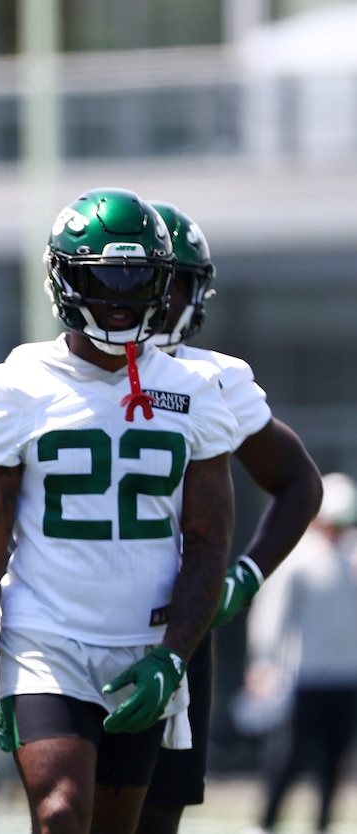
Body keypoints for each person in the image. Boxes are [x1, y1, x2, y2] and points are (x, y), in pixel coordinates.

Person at [0, 187, 238, 834]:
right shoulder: (13, 388)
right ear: (64, 281)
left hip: (145, 638)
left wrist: (173, 655)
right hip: (46, 637)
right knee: (60, 813)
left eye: (138, 279)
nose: (120, 296)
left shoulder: (195, 390)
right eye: (102, 278)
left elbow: (209, 539)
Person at [134, 202, 324, 834]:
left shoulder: (207, 379)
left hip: (178, 625)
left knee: (157, 814)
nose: (149, 297)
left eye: (171, 281)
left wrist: (243, 576)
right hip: (64, 619)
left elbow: (299, 482)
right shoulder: (51, 376)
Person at [239, 471, 357, 834]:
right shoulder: (299, 558)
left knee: (335, 761)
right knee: (287, 756)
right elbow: (271, 616)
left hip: (346, 677)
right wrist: (263, 664)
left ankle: (323, 824)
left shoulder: (352, 558)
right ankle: (268, 822)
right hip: (303, 678)